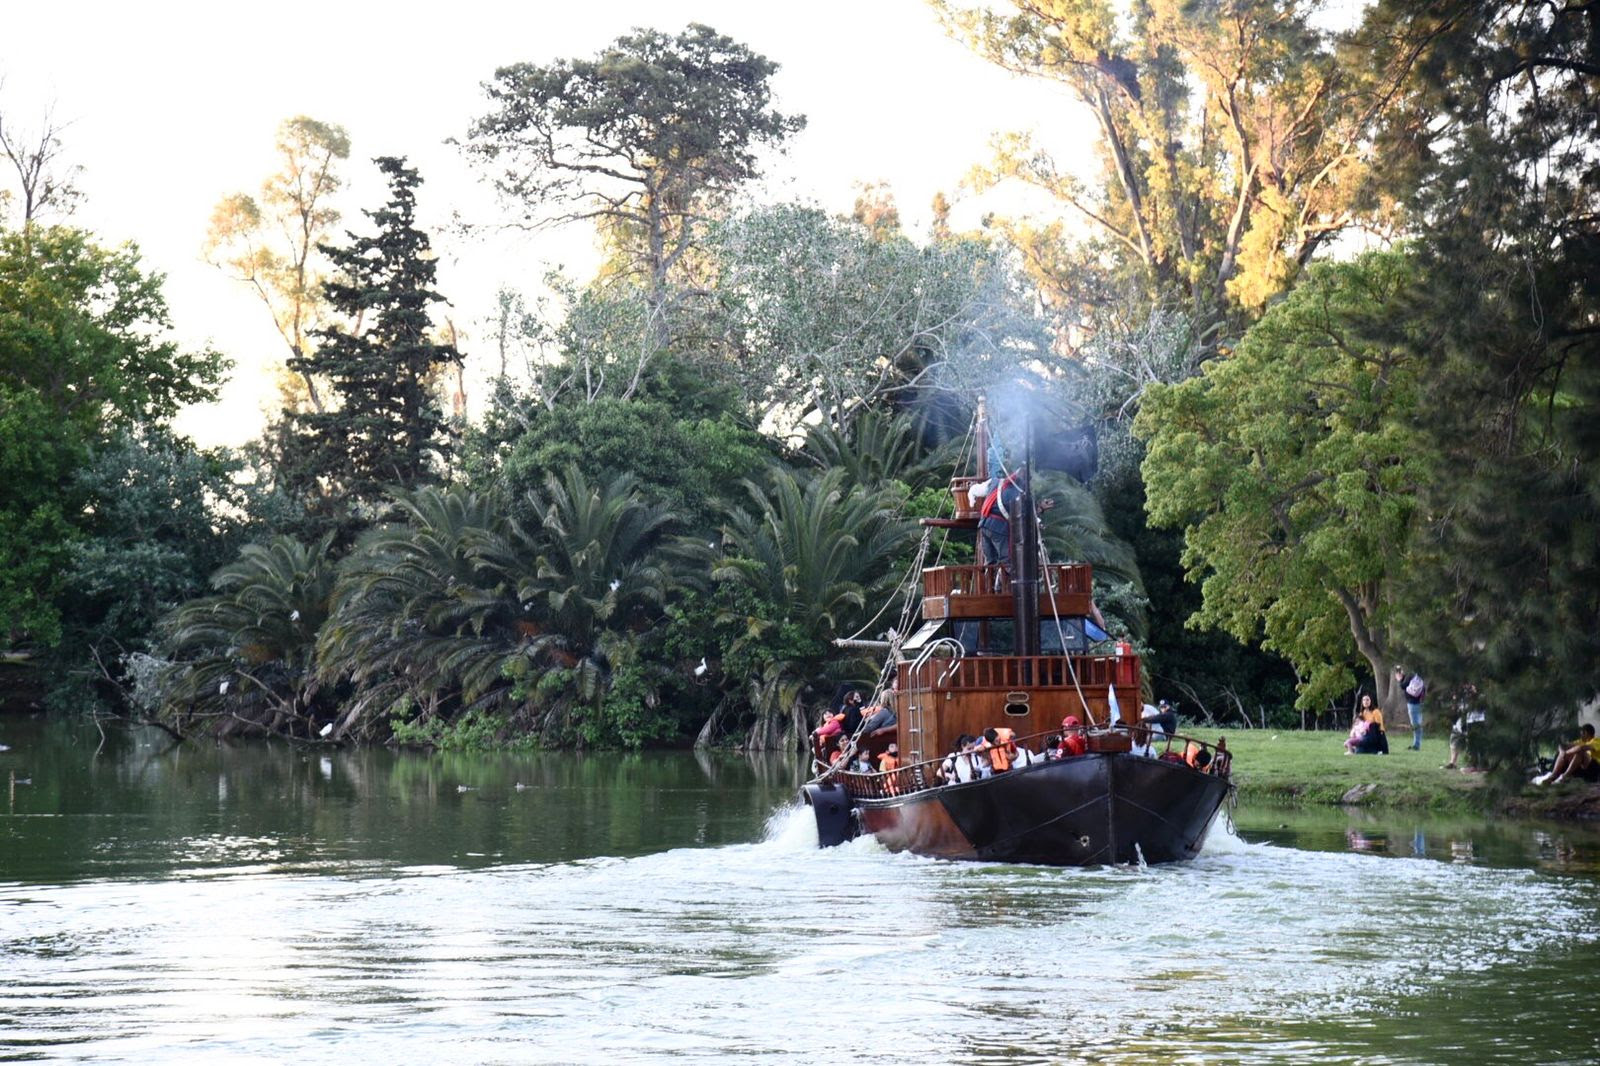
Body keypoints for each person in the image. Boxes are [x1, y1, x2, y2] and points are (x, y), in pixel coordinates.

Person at [1536, 724, 1600, 785]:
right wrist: (1562, 752)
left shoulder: (1596, 741)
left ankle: (1565, 776)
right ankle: (1553, 776)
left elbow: (1581, 748)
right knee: (1566, 752)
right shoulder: (1581, 741)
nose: (1581, 736)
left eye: (1582, 734)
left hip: (1594, 767)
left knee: (1580, 752)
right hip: (1582, 766)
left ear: (1586, 733)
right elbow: (1562, 745)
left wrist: (1566, 753)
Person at [1397, 666, 1427, 751]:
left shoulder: (1410, 675)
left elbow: (1403, 686)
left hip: (1413, 703)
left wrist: (1400, 679)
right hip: (1420, 702)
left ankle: (1416, 745)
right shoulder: (1417, 676)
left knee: (1415, 724)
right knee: (1418, 723)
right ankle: (1417, 744)